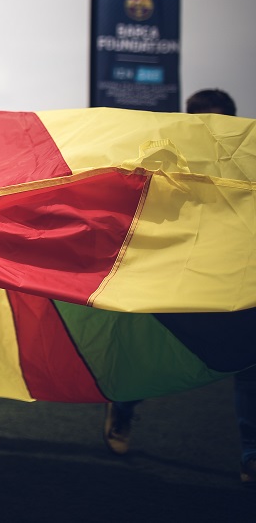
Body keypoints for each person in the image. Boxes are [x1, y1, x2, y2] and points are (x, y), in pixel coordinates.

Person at [103, 89, 256, 486]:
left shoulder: (248, 163)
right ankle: (123, 406)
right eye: (201, 120)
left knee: (250, 363)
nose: (211, 128)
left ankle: (250, 455)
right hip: (180, 278)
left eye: (220, 121)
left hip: (237, 279)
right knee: (154, 349)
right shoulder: (166, 156)